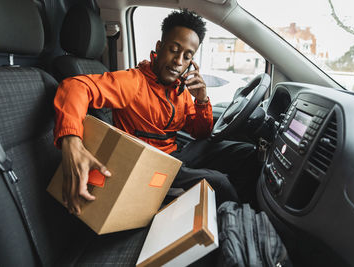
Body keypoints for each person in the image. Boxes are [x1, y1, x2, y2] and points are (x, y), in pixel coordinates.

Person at [54, 9, 257, 215]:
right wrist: (71, 140)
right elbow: (74, 87)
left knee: (247, 153)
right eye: (173, 50)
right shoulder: (133, 82)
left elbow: (200, 133)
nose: (179, 61)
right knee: (219, 182)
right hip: (148, 165)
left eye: (187, 56)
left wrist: (202, 100)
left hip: (175, 155)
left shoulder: (181, 91)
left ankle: (243, 209)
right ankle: (237, 221)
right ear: (159, 47)